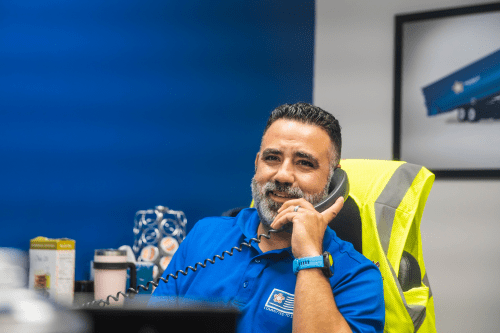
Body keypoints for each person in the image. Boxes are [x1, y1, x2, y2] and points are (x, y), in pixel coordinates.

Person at [149, 103, 385, 332]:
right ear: (256, 164)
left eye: (304, 163)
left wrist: (310, 259)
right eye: (272, 158)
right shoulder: (206, 234)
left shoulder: (358, 277)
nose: (282, 175)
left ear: (332, 181)